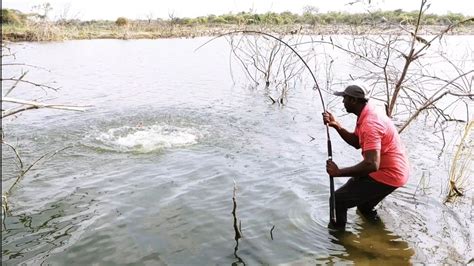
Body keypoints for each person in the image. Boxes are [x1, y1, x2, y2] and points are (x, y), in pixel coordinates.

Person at [322, 84, 409, 229]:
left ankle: (338, 240)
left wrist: (339, 172)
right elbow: (357, 142)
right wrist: (336, 125)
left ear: (354, 100)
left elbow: (371, 164)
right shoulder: (367, 112)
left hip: (388, 174)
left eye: (345, 98)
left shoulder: (370, 123)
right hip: (394, 171)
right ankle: (379, 239)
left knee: (338, 199)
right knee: (364, 207)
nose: (343, 101)